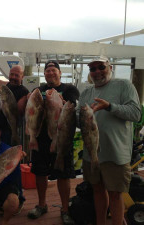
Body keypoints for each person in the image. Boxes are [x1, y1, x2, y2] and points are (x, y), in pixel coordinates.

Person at [77, 56, 142, 225]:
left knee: (115, 194)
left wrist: (110, 106)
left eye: (101, 67)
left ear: (110, 67)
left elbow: (136, 114)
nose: (97, 72)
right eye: (93, 69)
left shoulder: (124, 86)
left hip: (115, 153)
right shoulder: (86, 92)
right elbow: (78, 118)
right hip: (91, 154)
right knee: (97, 191)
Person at [28, 60, 79, 225]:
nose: (50, 73)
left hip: (61, 138)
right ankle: (42, 205)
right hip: (41, 139)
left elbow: (73, 104)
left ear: (60, 72)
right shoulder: (39, 90)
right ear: (44, 74)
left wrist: (65, 103)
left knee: (63, 175)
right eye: (47, 70)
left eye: (53, 70)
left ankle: (65, 209)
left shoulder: (69, 89)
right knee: (40, 173)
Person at [0, 54, 29, 146]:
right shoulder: (5, 86)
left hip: (8, 131)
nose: (13, 77)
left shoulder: (24, 92)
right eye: (11, 74)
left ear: (22, 77)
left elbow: (19, 113)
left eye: (16, 75)